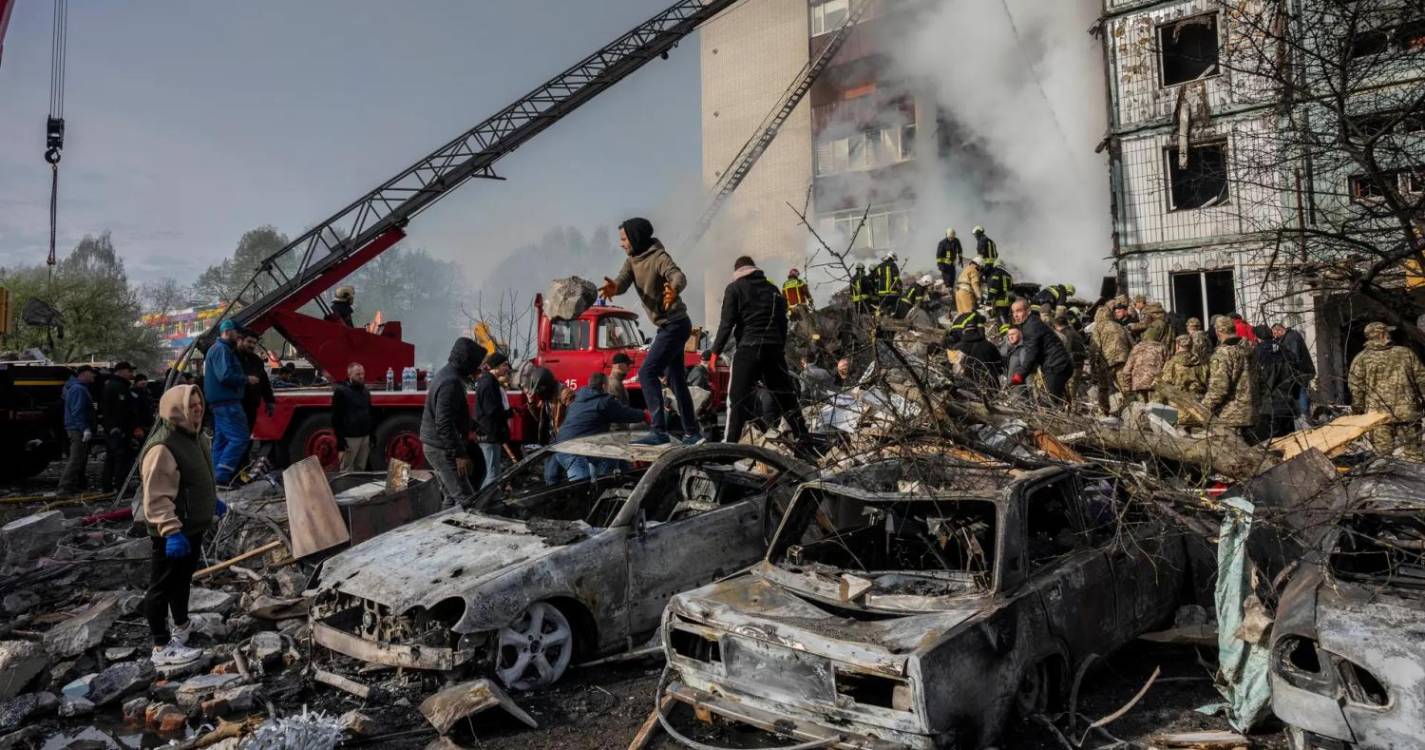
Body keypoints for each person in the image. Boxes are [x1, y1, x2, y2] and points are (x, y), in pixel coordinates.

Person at [140, 383, 227, 667]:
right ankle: (161, 646)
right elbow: (156, 495)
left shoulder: (197, 437)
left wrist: (211, 500)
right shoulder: (163, 445)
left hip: (192, 526)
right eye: (191, 405)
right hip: (172, 531)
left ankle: (182, 626)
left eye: (199, 404)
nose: (197, 409)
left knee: (182, 582)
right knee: (161, 586)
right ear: (176, 409)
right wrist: (170, 531)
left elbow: (198, 478)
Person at [598, 217, 702, 445]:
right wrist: (614, 288)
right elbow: (622, 281)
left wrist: (674, 289)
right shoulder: (632, 260)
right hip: (668, 326)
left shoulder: (658, 257)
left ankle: (659, 431)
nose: (621, 244)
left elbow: (677, 275)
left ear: (635, 238)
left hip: (675, 324)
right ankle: (692, 433)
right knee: (676, 382)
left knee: (646, 373)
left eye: (624, 239)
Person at [708, 256, 808, 445]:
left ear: (737, 272)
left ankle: (730, 445)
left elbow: (726, 324)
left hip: (748, 350)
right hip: (773, 351)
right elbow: (782, 323)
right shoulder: (773, 290)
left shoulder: (734, 288)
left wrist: (714, 353)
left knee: (736, 400)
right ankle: (803, 436)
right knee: (786, 398)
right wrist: (778, 347)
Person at [420, 337, 486, 507]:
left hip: (436, 445)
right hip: (440, 448)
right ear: (467, 361)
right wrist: (459, 454)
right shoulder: (451, 382)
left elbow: (453, 414)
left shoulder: (448, 375)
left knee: (450, 496)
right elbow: (444, 423)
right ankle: (469, 532)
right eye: (476, 363)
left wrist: (473, 426)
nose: (477, 368)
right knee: (466, 498)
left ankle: (443, 530)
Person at [547, 372, 649, 482]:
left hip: (562, 445)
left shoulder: (577, 399)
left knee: (610, 457)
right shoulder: (604, 402)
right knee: (580, 486)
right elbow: (625, 414)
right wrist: (645, 415)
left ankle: (619, 481)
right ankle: (603, 486)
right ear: (604, 386)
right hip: (573, 450)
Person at [1348, 321, 1425, 461]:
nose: (1390, 334)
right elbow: (1422, 380)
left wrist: (1357, 412)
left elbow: (1356, 389)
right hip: (1408, 412)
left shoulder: (1361, 359)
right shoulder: (1405, 353)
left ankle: (1386, 481)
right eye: (1387, 332)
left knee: (1383, 458)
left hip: (1378, 415)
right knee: (1416, 456)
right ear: (1382, 335)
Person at [205, 320, 253, 487]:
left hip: (220, 403)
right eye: (237, 333)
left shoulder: (218, 349)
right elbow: (225, 376)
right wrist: (246, 379)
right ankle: (223, 475)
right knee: (240, 438)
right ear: (229, 331)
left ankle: (214, 476)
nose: (239, 337)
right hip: (228, 403)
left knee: (222, 440)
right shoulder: (222, 350)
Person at [1202, 316, 1258, 440]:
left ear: (1218, 332)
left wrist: (1204, 407)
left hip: (1231, 415)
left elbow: (1219, 388)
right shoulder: (1249, 349)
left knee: (1234, 455)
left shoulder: (1224, 353)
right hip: (1251, 411)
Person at [1010, 299, 1072, 401]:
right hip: (1058, 365)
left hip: (1056, 367)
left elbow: (1031, 355)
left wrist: (1019, 376)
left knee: (1051, 403)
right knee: (1058, 400)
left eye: (1019, 311)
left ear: (1028, 311)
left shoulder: (1031, 327)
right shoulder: (1031, 323)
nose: (1015, 315)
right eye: (1013, 312)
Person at [473, 352, 514, 488]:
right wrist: (506, 414)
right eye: (504, 365)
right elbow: (491, 411)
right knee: (492, 474)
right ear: (496, 366)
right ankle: (482, 502)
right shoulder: (488, 383)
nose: (506, 368)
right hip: (489, 434)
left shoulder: (488, 381)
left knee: (494, 472)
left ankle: (492, 501)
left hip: (490, 434)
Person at [1254, 325, 1297, 440]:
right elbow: (1297, 375)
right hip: (1287, 404)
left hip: (1268, 407)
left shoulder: (1257, 354)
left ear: (1257, 338)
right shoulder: (1285, 350)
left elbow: (1255, 381)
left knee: (1270, 447)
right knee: (1290, 444)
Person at [100, 361, 138, 493]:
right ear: (121, 371)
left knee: (112, 458)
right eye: (129, 371)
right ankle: (120, 487)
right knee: (120, 459)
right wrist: (117, 428)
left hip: (114, 429)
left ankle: (108, 486)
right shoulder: (117, 387)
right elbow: (118, 410)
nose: (131, 374)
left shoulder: (115, 385)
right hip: (119, 430)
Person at [59, 365, 97, 494]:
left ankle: (71, 486)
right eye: (92, 373)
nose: (94, 376)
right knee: (76, 459)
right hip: (77, 429)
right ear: (84, 373)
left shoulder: (77, 388)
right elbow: (77, 411)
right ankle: (64, 488)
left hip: (76, 428)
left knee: (79, 459)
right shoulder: (78, 389)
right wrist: (84, 428)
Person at [332, 363, 374, 473]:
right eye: (358, 374)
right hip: (350, 438)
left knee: (361, 469)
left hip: (365, 437)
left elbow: (370, 413)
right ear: (349, 374)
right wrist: (340, 444)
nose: (361, 376)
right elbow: (336, 418)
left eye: (363, 373)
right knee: (347, 470)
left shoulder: (366, 391)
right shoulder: (341, 391)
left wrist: (371, 435)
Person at [1157, 334, 1210, 417]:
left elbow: (1163, 386)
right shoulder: (1202, 363)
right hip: (1198, 406)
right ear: (1191, 345)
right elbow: (1208, 383)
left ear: (1177, 345)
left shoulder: (1171, 363)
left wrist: (1158, 403)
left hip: (1178, 406)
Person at [1272, 322, 1314, 420]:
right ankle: (1304, 415)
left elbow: (1294, 356)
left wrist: (1292, 370)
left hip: (1301, 371)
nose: (1275, 336)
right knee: (1299, 392)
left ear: (1280, 330)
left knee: (1301, 391)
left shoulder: (1291, 338)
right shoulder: (1288, 337)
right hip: (1301, 370)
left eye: (1275, 333)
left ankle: (1304, 416)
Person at [237, 331, 276, 433]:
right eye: (249, 342)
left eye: (254, 343)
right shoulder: (232, 358)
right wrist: (246, 379)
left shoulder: (257, 360)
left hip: (252, 406)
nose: (252, 345)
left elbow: (264, 381)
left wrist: (270, 401)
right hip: (236, 405)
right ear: (240, 340)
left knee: (246, 438)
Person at [1120, 325, 1169, 403]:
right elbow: (1168, 368)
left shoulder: (1136, 347)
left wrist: (1127, 387)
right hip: (1155, 384)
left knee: (1142, 410)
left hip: (1137, 384)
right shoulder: (1162, 348)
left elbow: (1127, 369)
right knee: (1155, 410)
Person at [955, 323, 1003, 391]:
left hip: (971, 384)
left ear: (964, 332)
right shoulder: (988, 344)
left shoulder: (959, 347)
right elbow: (999, 362)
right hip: (991, 380)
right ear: (977, 331)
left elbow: (956, 368)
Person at [1054, 316, 1088, 402]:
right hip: (1079, 364)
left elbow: (1065, 351)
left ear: (1056, 325)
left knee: (1070, 393)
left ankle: (1072, 412)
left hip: (1071, 365)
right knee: (1073, 390)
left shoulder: (1063, 334)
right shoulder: (1075, 332)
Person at [981, 257, 1014, 324]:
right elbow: (1011, 288)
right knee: (1007, 320)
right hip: (1009, 302)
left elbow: (993, 288)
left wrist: (989, 299)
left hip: (999, 302)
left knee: (1002, 321)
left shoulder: (996, 274)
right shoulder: (1009, 276)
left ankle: (1005, 333)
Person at [873, 252, 902, 316]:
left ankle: (881, 318)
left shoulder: (879, 266)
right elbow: (896, 278)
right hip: (891, 291)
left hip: (881, 292)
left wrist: (877, 289)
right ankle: (892, 315)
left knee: (882, 308)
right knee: (894, 305)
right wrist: (899, 286)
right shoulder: (893, 265)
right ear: (892, 258)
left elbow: (876, 279)